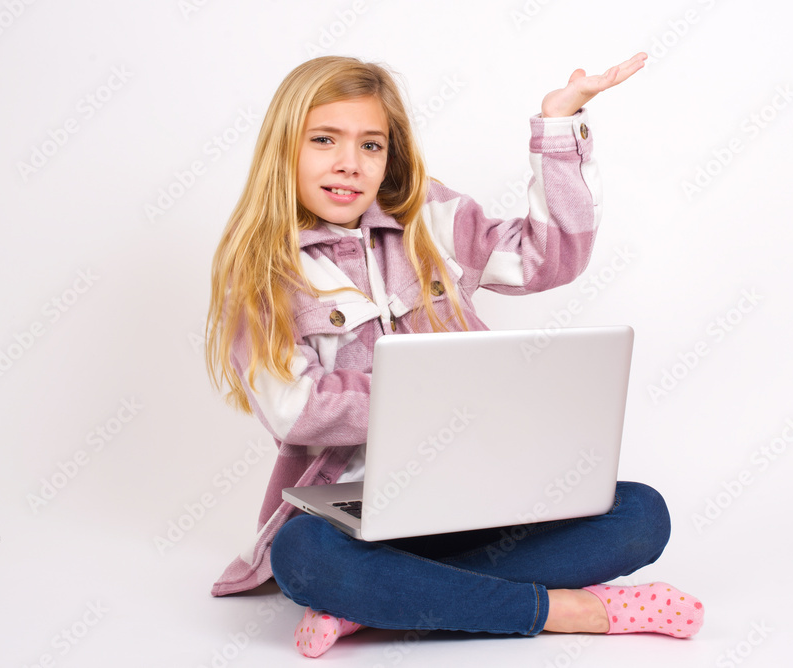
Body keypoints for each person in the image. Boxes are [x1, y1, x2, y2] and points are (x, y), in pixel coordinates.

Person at [205, 53, 703, 659]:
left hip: (480, 496)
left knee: (641, 513)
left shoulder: (430, 219)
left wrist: (557, 129)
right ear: (285, 147)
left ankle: (381, 603)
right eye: (324, 140)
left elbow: (549, 258)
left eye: (371, 145)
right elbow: (296, 409)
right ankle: (563, 611)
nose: (348, 163)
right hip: (360, 516)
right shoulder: (261, 274)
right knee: (302, 555)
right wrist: (437, 396)